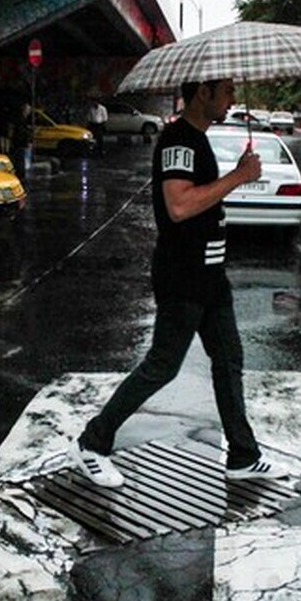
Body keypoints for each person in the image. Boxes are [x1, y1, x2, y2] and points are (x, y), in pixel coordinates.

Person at [66, 78, 284, 488]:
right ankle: (92, 444)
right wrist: (238, 177)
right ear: (204, 94)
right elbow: (179, 205)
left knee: (229, 360)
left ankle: (242, 455)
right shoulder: (178, 142)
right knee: (162, 366)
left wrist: (236, 177)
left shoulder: (198, 139)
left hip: (210, 277)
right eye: (226, 92)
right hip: (183, 276)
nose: (232, 99)